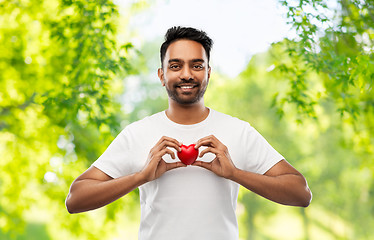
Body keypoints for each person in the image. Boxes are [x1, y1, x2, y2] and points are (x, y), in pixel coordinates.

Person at [65, 26, 312, 240]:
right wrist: (141, 176)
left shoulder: (238, 131)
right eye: (175, 65)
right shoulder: (137, 133)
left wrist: (234, 173)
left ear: (208, 74)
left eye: (197, 65)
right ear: (162, 75)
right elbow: (76, 199)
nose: (186, 74)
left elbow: (300, 193)